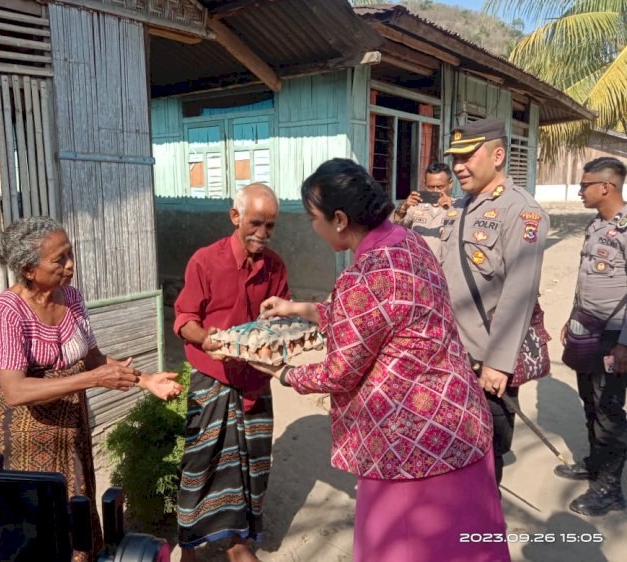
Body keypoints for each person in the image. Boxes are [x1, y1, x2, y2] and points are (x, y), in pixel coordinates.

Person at [255, 159, 509, 562]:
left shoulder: (366, 274)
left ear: (339, 219)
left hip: (410, 444)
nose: (312, 228)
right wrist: (299, 308)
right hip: (460, 422)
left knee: (406, 548)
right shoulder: (408, 243)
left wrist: (285, 374)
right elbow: (379, 318)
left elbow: (339, 371)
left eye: (312, 218)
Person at [0, 216, 181, 562]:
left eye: (70, 254)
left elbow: (92, 357)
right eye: (60, 260)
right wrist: (90, 380)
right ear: (29, 269)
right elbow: (14, 390)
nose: (71, 265)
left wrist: (145, 380)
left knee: (78, 502)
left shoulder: (71, 298)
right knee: (39, 520)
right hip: (28, 434)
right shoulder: (7, 311)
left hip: (71, 425)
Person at [173, 183, 290, 562]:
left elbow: (281, 320)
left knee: (253, 464)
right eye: (256, 223)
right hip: (213, 378)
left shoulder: (275, 266)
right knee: (201, 462)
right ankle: (189, 544)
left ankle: (238, 543)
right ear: (235, 217)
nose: (262, 233)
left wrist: (279, 336)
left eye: (270, 226)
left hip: (255, 380)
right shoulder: (205, 261)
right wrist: (206, 339)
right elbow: (185, 318)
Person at [439, 118, 549, 486]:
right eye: (455, 158)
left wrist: (499, 364)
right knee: (453, 447)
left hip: (486, 362)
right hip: (450, 355)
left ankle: (483, 536)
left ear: (498, 155)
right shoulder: (462, 207)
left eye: (467, 157)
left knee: (486, 457)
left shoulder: (522, 212)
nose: (458, 167)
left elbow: (520, 292)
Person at [556, 157, 627, 516]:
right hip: (588, 328)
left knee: (608, 410)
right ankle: (595, 465)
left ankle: (610, 489)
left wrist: (625, 343)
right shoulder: (596, 225)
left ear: (606, 187)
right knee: (590, 401)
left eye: (585, 184)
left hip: (615, 334)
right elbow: (586, 280)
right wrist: (572, 316)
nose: (580, 190)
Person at [393, 162, 455, 255]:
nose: (435, 191)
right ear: (425, 183)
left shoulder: (458, 208)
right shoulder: (416, 205)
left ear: (450, 184)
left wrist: (451, 209)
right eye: (430, 187)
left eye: (440, 187)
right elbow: (396, 230)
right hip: (420, 264)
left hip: (444, 267)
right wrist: (404, 207)